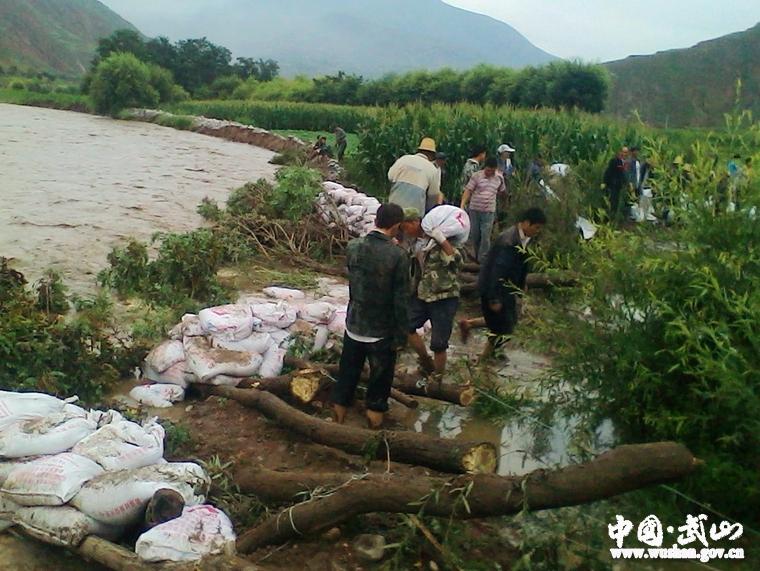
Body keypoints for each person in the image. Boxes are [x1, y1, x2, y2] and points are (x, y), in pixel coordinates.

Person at [331, 203, 410, 429]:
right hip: (380, 333)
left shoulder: (354, 246)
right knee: (377, 392)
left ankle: (336, 427)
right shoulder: (398, 256)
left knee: (346, 379)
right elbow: (401, 301)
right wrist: (401, 336)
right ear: (397, 226)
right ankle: (372, 437)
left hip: (353, 326)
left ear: (376, 220)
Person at [459, 208, 546, 361]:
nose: (538, 231)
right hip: (495, 288)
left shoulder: (523, 238)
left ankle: (476, 333)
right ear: (526, 223)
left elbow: (521, 264)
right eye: (536, 227)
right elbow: (496, 271)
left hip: (506, 288)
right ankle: (485, 358)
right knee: (502, 325)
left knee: (505, 322)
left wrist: (521, 284)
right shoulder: (508, 242)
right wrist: (494, 298)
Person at [407, 209, 466, 377]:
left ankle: (438, 377)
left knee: (439, 343)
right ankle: (426, 361)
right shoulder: (420, 243)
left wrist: (443, 240)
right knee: (407, 325)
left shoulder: (451, 241)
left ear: (415, 222)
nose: (405, 231)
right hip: (423, 294)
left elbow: (458, 262)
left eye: (406, 227)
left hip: (444, 297)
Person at [460, 156, 506, 262]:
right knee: (475, 235)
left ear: (495, 169)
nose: (489, 172)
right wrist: (463, 204)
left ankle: (483, 259)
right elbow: (468, 190)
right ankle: (476, 255)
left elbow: (502, 192)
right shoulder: (477, 176)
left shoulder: (499, 178)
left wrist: (504, 205)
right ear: (485, 168)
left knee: (486, 235)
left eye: (492, 170)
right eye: (488, 170)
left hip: (489, 211)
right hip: (475, 209)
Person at [388, 138, 443, 214]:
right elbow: (433, 194)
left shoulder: (403, 159)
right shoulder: (432, 169)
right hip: (414, 214)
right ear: (432, 155)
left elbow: (390, 176)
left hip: (394, 209)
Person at [603, 147, 629, 222]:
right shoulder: (614, 161)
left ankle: (613, 218)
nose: (624, 154)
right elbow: (608, 171)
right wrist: (604, 182)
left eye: (626, 153)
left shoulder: (624, 162)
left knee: (616, 202)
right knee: (611, 202)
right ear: (620, 152)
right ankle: (608, 218)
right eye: (623, 152)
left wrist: (626, 183)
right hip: (612, 185)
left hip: (618, 186)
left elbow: (623, 175)